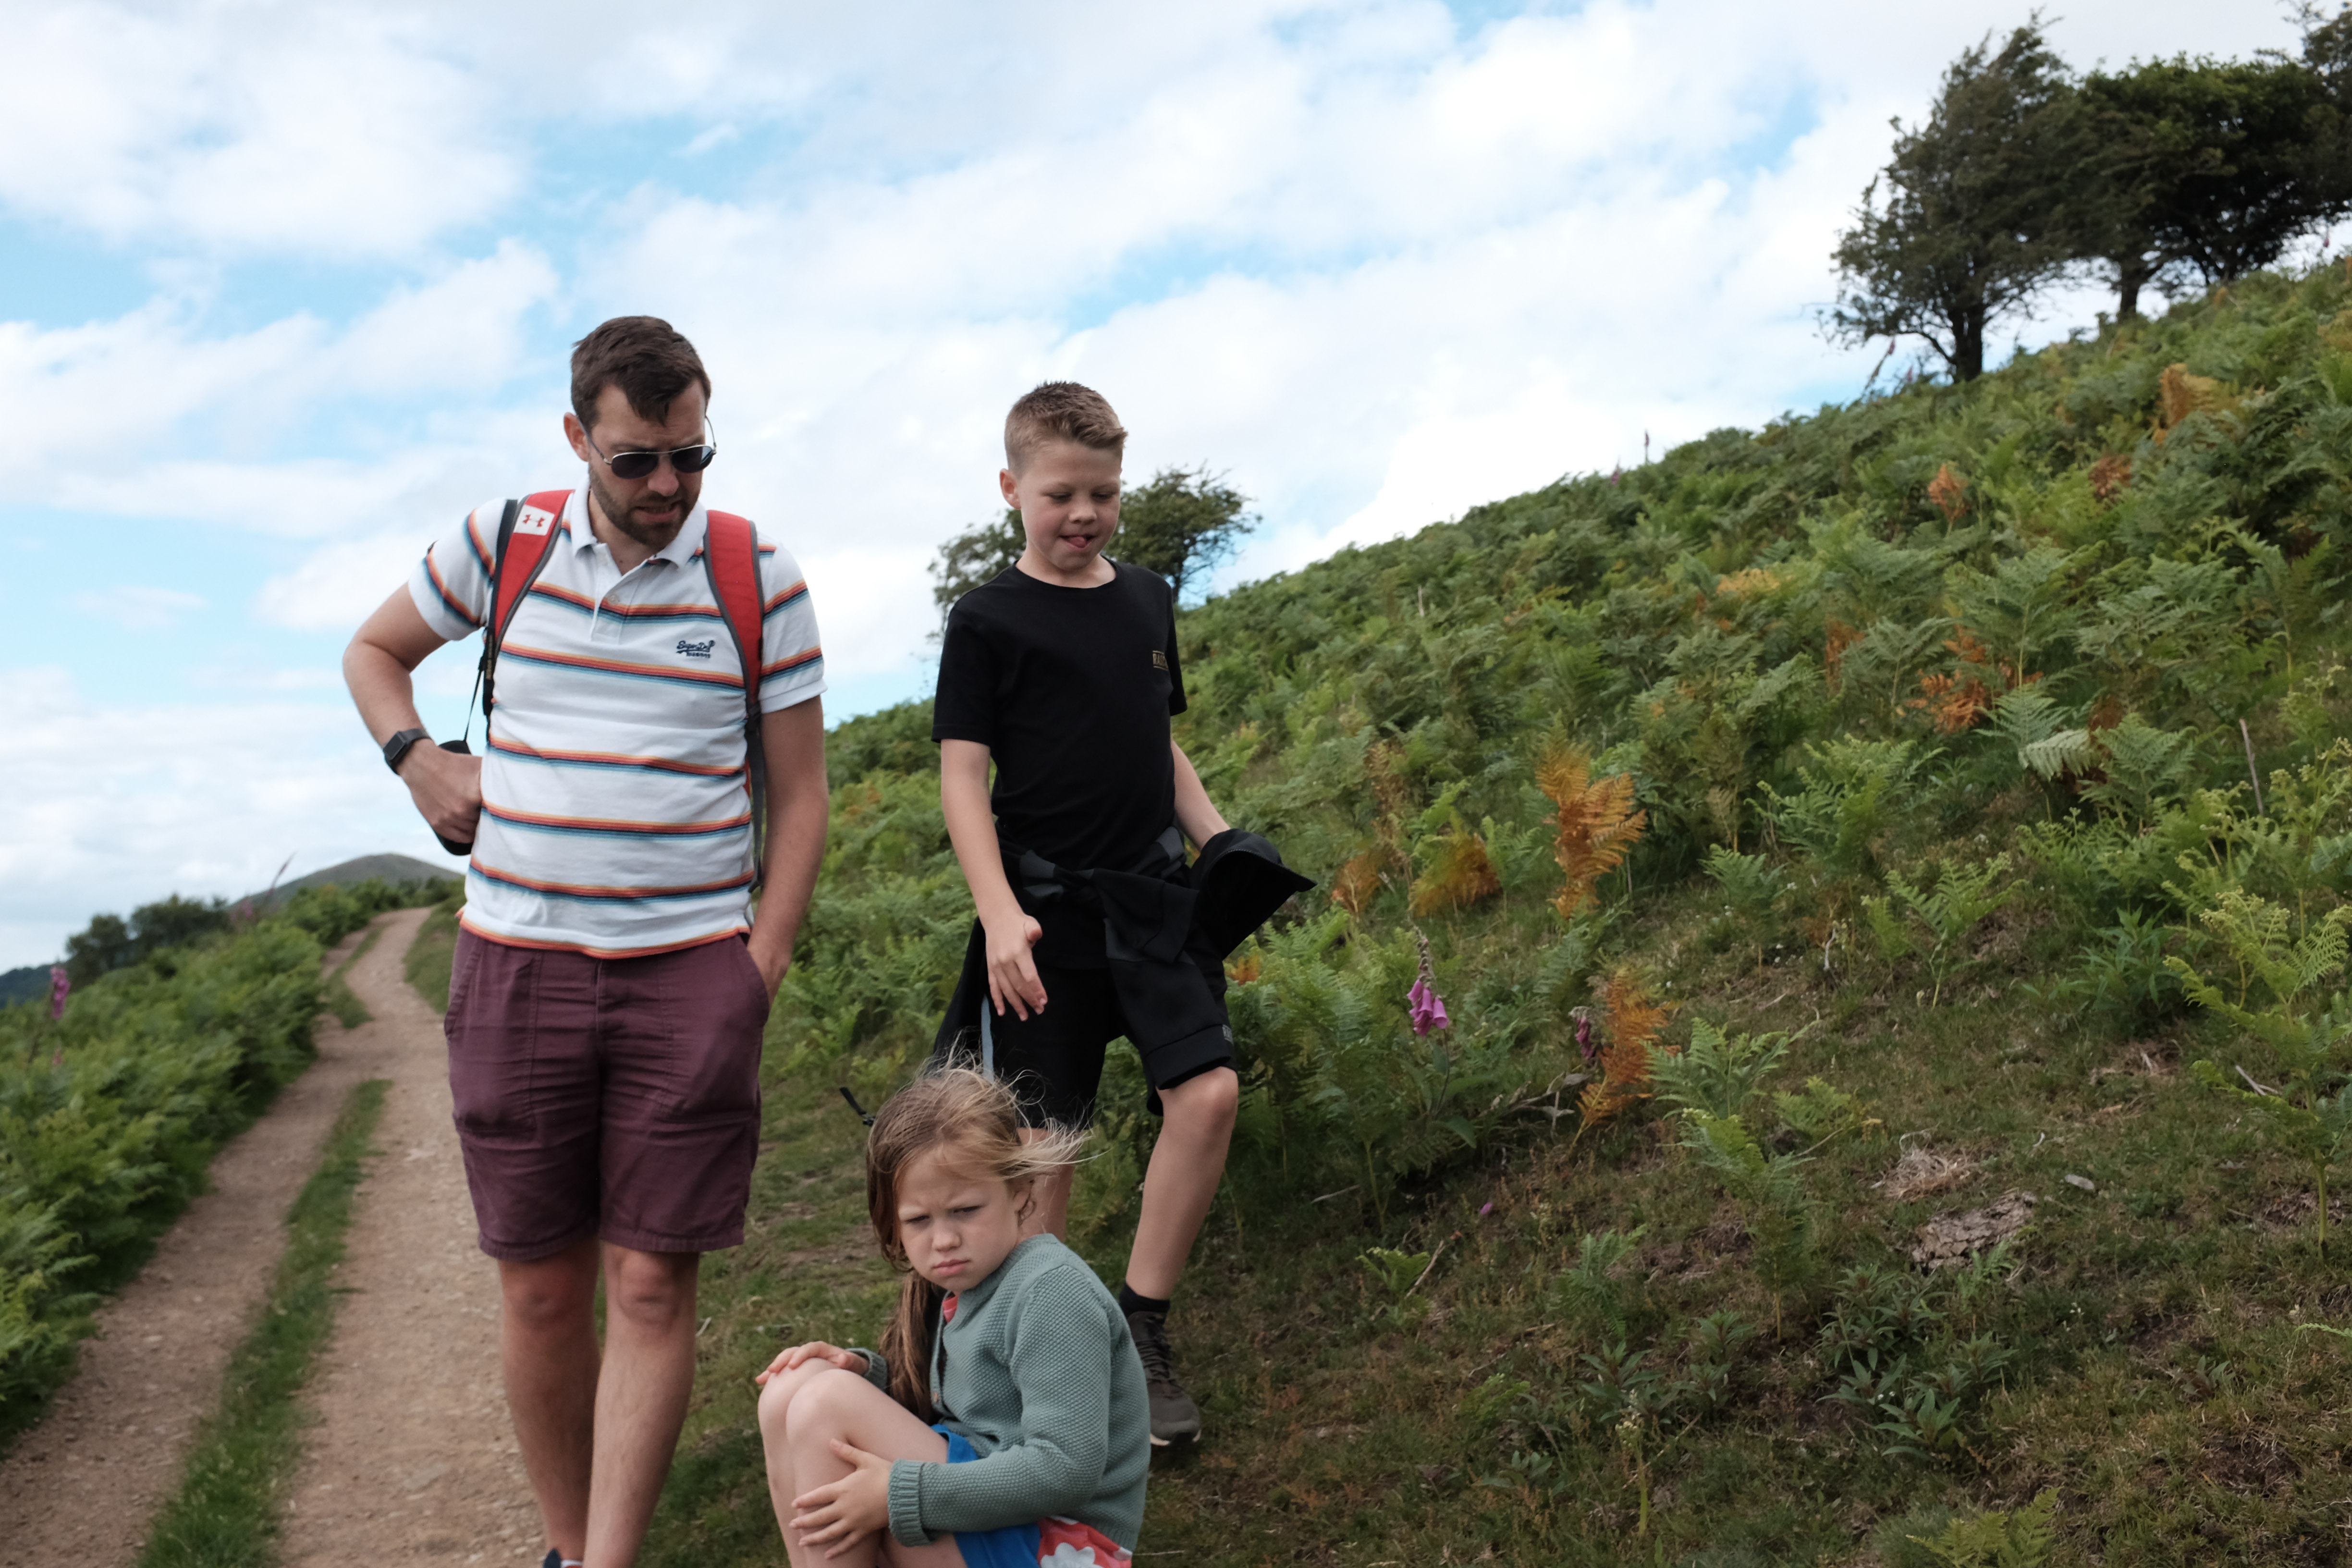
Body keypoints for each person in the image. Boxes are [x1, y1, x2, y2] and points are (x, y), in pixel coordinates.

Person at [342, 316, 830, 1568]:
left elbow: (802, 795)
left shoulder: (757, 576)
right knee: (543, 1285)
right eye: (638, 461)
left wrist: (758, 969)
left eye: (692, 455)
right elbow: (374, 653)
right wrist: (418, 761)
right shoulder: (498, 545)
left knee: (654, 1285)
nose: (669, 485)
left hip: (691, 976)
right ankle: (567, 1545)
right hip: (517, 969)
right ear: (578, 439)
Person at [926, 381, 1309, 1447]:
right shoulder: (986, 620)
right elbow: (962, 778)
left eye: (1103, 492)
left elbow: (1156, 740)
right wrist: (1000, 914)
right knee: (1044, 1156)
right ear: (1012, 489)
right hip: (1042, 919)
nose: (1084, 513)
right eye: (1060, 494)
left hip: (1154, 902)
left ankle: (1140, 1325)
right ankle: (1038, 1378)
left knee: (1209, 1093)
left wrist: (1220, 843)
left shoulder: (1146, 597)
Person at [754, 1069, 1147, 1567]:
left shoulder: (1051, 1291)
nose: (944, 1240)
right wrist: (869, 1376)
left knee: (825, 1403)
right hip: (995, 1507)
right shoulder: (972, 1279)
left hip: (1061, 1544)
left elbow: (1065, 1470)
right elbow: (976, 1403)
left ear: (1020, 1189)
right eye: (919, 1220)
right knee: (790, 1387)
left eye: (965, 1210)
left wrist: (902, 1494)